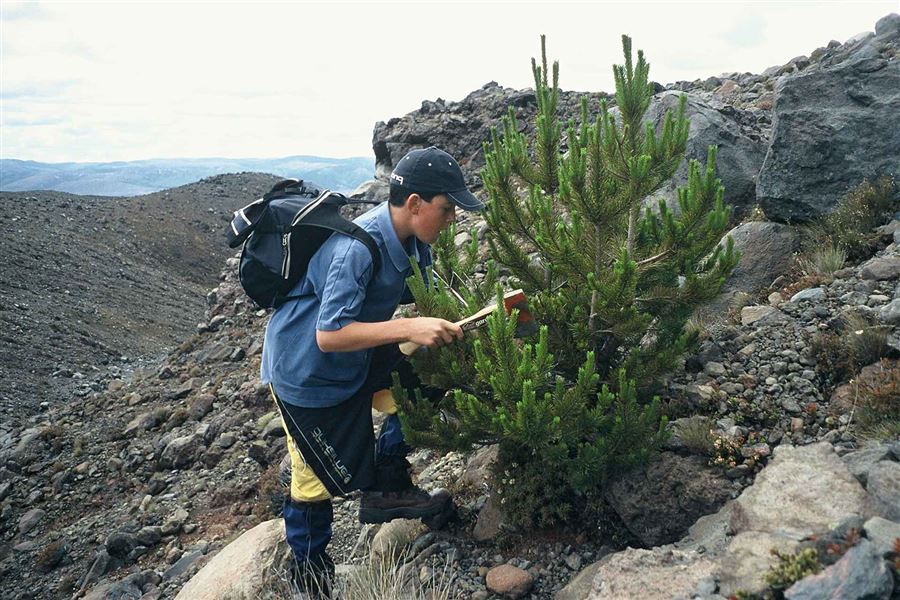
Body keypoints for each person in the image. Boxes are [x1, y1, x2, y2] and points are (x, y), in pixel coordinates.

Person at [260, 146, 485, 594]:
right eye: (447, 209)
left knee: (431, 371)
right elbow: (329, 334)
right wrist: (408, 327)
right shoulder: (354, 249)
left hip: (355, 359)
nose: (453, 220)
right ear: (416, 204)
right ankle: (311, 575)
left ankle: (386, 481)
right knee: (312, 480)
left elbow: (429, 298)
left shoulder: (415, 242)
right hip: (305, 372)